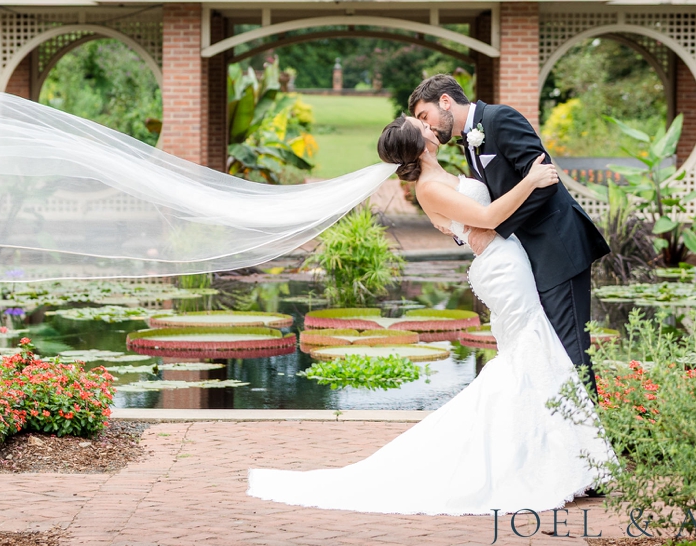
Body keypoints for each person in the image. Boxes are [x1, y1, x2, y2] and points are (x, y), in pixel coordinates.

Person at [245, 115, 612, 516]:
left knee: (533, 350)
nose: (425, 123)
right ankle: (550, 457)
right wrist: (530, 180)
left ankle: (552, 451)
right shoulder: (430, 187)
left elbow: (470, 214)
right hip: (501, 268)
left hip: (509, 259)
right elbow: (486, 219)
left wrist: (461, 224)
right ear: (418, 144)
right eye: (417, 123)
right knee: (530, 349)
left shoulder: (443, 174)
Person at [409, 75, 610, 392]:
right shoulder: (470, 143)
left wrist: (495, 229)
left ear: (444, 101)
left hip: (558, 247)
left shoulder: (499, 118)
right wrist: (466, 228)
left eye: (425, 116)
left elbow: (545, 181)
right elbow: (489, 199)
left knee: (570, 347)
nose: (428, 127)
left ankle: (590, 437)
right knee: (549, 347)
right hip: (528, 256)